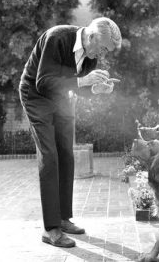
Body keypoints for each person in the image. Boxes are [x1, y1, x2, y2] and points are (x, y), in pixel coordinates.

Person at [19, 17, 122, 248]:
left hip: (60, 99)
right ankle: (51, 229)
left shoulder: (90, 58)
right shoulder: (57, 37)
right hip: (35, 96)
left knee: (66, 154)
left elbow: (77, 87)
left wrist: (95, 88)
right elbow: (43, 82)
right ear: (92, 36)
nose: (103, 54)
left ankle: (63, 219)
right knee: (50, 156)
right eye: (104, 48)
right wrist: (83, 81)